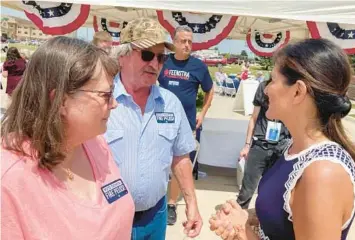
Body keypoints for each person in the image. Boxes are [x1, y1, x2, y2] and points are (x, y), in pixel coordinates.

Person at [209, 38, 355, 239]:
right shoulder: (295, 150)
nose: (266, 89)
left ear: (298, 91)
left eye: (273, 80)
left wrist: (242, 233)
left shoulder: (323, 173)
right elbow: (287, 216)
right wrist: (247, 216)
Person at [1, 36, 135, 240]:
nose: (114, 103)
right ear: (61, 101)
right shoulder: (9, 181)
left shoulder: (95, 144)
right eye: (106, 95)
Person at [104, 18, 202, 240]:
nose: (155, 64)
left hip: (154, 217)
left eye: (161, 57)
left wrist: (191, 203)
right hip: (109, 216)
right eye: (147, 55)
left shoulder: (171, 103)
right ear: (122, 56)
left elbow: (181, 157)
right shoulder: (102, 99)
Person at [158, 25, 214, 226]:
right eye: (183, 41)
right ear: (174, 42)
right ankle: (155, 199)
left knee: (181, 166)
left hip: (187, 125)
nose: (187, 45)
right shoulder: (162, 62)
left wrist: (203, 113)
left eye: (190, 41)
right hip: (161, 121)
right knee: (159, 163)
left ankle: (171, 204)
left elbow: (210, 90)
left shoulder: (199, 66)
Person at [236, 78, 290, 209]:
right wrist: (247, 145)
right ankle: (237, 219)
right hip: (260, 145)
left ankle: (262, 222)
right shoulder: (264, 86)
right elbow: (254, 118)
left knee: (271, 191)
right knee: (247, 189)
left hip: (281, 147)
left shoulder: (292, 89)